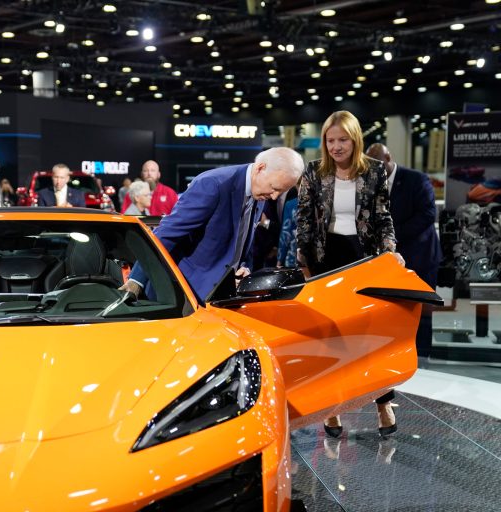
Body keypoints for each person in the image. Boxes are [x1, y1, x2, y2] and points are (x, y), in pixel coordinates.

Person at [295, 110, 405, 439]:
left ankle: (383, 403)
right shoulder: (313, 173)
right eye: (330, 140)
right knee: (332, 341)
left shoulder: (374, 173)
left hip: (364, 259)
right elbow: (302, 221)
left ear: (355, 140)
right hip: (324, 261)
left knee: (371, 339)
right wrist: (303, 262)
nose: (336, 146)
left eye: (342, 139)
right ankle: (332, 408)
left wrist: (390, 251)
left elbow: (384, 217)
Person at [123, 147, 305, 301]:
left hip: (221, 294)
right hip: (185, 293)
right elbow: (167, 233)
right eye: (274, 188)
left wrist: (241, 268)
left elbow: (240, 241)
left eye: (279, 192)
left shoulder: (260, 190)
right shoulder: (213, 184)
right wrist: (136, 281)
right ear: (260, 168)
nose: (273, 197)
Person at [366, 143, 442, 358]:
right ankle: (397, 355)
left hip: (421, 257)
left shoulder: (416, 179)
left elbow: (428, 214)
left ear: (389, 158)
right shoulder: (371, 183)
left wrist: (390, 236)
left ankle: (423, 356)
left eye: (378, 165)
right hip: (388, 261)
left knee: (421, 311)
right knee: (393, 310)